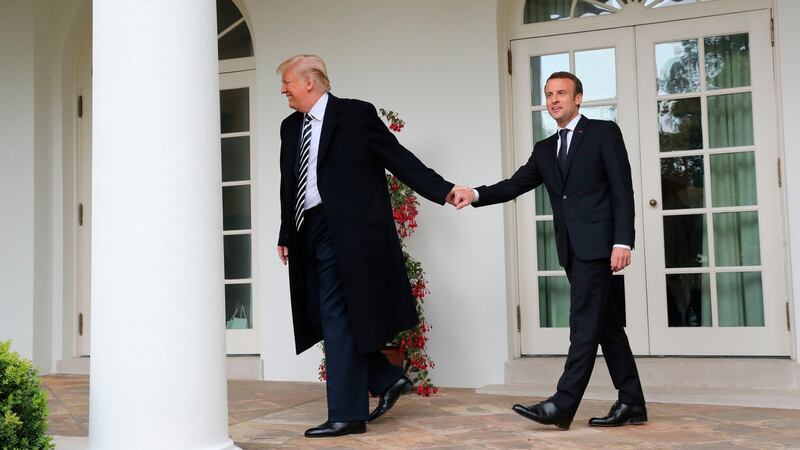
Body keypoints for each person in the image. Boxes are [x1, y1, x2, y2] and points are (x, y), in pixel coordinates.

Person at [275, 54, 458, 438]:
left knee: (337, 314)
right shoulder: (290, 127)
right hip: (310, 229)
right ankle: (385, 376)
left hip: (352, 231)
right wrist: (286, 233)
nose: (283, 90)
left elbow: (397, 158)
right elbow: (288, 184)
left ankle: (347, 414)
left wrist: (442, 191)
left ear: (310, 82)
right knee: (326, 316)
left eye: (288, 82)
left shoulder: (356, 115)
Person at [453, 72, 646, 429]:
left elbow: (623, 190)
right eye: (549, 94)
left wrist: (623, 241)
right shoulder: (544, 149)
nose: (554, 99)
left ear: (579, 98)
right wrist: (475, 194)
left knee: (584, 325)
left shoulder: (604, 133)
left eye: (561, 93)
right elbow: (515, 184)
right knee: (605, 325)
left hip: (600, 247)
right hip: (571, 248)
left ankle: (563, 403)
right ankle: (632, 402)